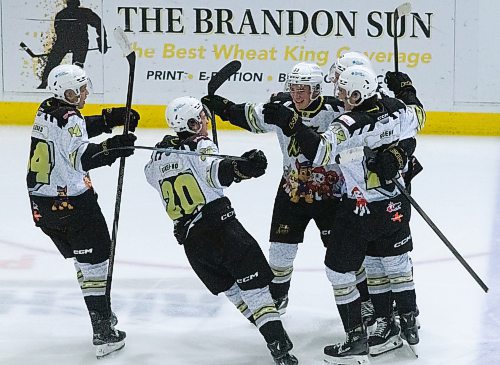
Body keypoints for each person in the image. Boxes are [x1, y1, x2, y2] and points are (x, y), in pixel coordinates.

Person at [260, 65, 424, 364]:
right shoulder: (398, 108)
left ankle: (357, 339)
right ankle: (405, 324)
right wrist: (406, 90)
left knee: (339, 270)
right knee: (392, 262)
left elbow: (320, 153)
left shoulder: (348, 123)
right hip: (395, 203)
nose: (340, 97)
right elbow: (418, 120)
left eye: (344, 92)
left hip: (360, 207)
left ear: (357, 94)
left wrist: (294, 124)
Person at [203, 63, 373, 318]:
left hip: (331, 196)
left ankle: (366, 299)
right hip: (291, 193)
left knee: (344, 254)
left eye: (303, 89)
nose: (297, 94)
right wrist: (224, 108)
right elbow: (251, 116)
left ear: (316, 89)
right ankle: (278, 297)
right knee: (280, 254)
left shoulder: (335, 111)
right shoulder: (283, 109)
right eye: (293, 88)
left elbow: (367, 120)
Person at [144, 96, 298, 365]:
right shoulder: (201, 145)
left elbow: (150, 175)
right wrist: (241, 167)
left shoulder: (156, 159)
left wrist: (168, 149)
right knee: (257, 292)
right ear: (193, 123)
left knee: (229, 286)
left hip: (192, 244)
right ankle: (278, 346)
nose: (206, 120)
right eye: (202, 117)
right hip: (223, 231)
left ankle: (258, 318)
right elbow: (215, 171)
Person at [27, 64, 139, 358]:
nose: (86, 92)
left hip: (43, 206)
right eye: (81, 89)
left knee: (85, 261)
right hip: (72, 205)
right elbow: (82, 156)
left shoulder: (48, 107)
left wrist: (107, 120)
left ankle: (101, 313)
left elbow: (69, 132)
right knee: (97, 261)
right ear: (68, 92)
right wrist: (114, 147)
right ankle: (102, 330)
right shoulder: (71, 116)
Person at [38, 0, 109, 89]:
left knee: (75, 65)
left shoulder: (81, 13)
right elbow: (58, 30)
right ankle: (45, 81)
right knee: (53, 61)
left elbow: (99, 24)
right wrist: (102, 40)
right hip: (66, 41)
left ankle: (74, 84)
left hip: (77, 42)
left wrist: (102, 40)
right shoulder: (65, 14)